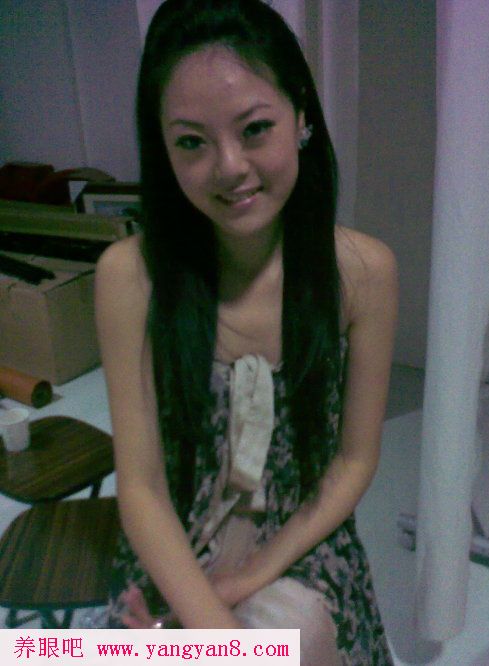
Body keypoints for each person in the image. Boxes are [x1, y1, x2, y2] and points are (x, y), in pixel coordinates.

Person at [94, 0, 398, 663]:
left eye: (255, 129)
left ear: (302, 118)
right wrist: (214, 630)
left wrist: (249, 580)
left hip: (298, 539)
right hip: (174, 544)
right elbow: (141, 487)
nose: (229, 167)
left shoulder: (363, 272)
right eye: (192, 142)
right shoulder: (130, 276)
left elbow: (354, 461)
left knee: (299, 638)